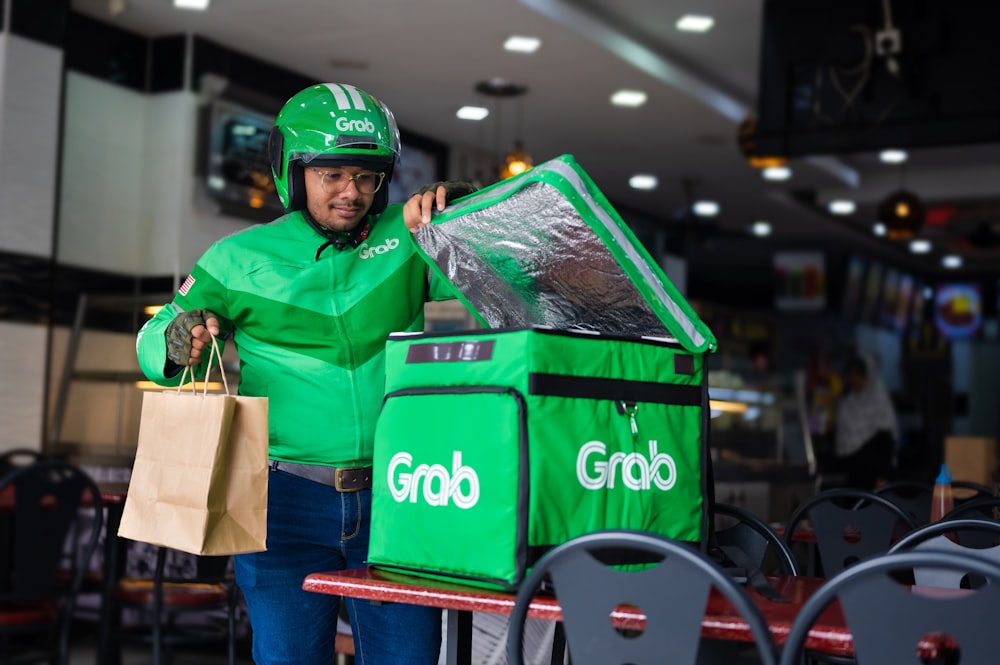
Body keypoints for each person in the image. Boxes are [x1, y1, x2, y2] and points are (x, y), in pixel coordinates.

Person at [135, 82, 473, 665]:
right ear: (291, 171)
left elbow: (511, 271)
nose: (353, 193)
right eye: (332, 175)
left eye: (368, 177)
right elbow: (151, 346)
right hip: (278, 501)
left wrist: (476, 210)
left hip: (402, 492)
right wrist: (174, 339)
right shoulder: (236, 258)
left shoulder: (411, 237)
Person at [831, 353, 899, 490]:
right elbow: (843, 437)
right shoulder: (848, 401)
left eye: (856, 375)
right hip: (852, 468)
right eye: (850, 375)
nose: (852, 380)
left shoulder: (879, 402)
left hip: (873, 471)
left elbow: (886, 441)